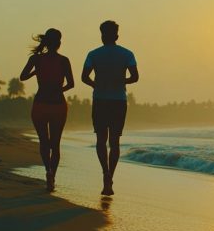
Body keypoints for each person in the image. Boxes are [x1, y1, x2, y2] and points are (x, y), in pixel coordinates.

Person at [81, 20, 138, 195]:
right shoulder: (127, 53)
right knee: (114, 142)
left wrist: (95, 85)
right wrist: (121, 81)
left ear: (102, 35)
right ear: (117, 36)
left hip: (100, 100)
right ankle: (110, 178)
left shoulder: (93, 54)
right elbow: (135, 77)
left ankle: (105, 172)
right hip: (118, 101)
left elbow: (84, 77)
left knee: (100, 140)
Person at [20, 28, 74, 192]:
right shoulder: (64, 60)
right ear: (58, 44)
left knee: (44, 141)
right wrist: (58, 90)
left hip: (40, 104)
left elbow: (22, 76)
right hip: (58, 104)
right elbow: (71, 84)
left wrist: (36, 71)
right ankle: (52, 177)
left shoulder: (36, 59)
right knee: (55, 144)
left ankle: (47, 170)